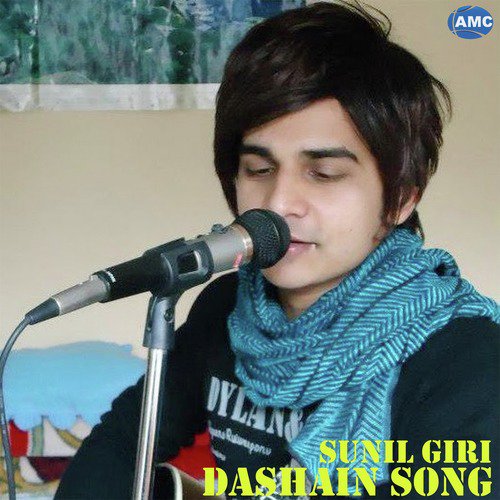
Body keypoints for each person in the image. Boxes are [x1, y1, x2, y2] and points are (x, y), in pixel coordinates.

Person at [56, 1, 499, 498]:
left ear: (399, 200)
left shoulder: (466, 361)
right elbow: (122, 444)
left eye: (324, 173)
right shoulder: (226, 308)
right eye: (259, 170)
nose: (279, 203)